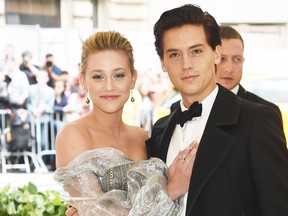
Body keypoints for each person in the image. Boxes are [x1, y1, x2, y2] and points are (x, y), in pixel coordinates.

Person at [146, 4, 288, 216]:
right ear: (163, 63)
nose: (186, 64)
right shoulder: (159, 130)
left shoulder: (256, 121)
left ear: (216, 54)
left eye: (196, 51)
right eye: (174, 54)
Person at [54, 31, 198, 216]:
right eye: (98, 76)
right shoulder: (73, 136)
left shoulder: (141, 136)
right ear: (83, 81)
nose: (109, 86)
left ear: (133, 79)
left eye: (119, 75)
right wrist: (170, 191)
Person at [215, 25, 283, 117]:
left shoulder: (266, 112)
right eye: (222, 59)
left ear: (243, 61)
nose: (229, 69)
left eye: (236, 59)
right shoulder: (193, 105)